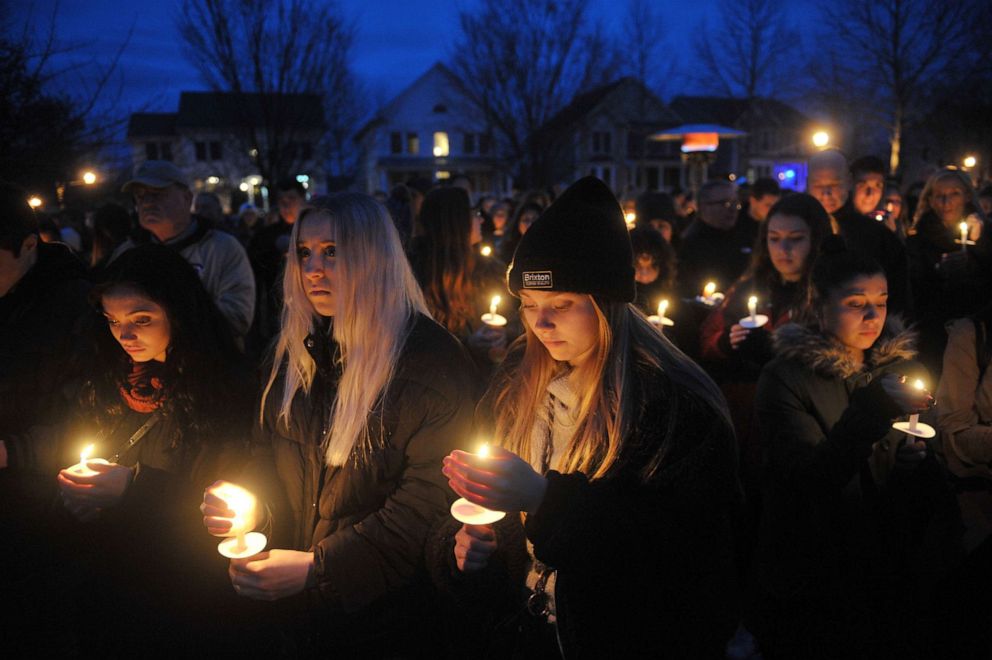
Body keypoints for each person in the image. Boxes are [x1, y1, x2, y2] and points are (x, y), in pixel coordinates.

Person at [434, 176, 740, 657]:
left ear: (608, 305)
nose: (541, 323)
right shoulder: (517, 379)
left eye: (562, 305)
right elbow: (480, 524)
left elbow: (677, 558)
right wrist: (469, 551)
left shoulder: (674, 406)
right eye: (529, 305)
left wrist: (542, 498)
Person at [200, 193, 478, 656]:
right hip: (299, 619)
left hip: (389, 621)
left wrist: (321, 569)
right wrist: (247, 509)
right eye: (304, 253)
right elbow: (265, 455)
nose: (313, 269)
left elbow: (427, 504)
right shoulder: (292, 354)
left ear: (374, 256)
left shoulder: (430, 364)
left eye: (333, 252)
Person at [747, 248, 961, 659]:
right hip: (814, 574)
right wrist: (872, 411)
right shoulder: (786, 377)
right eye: (855, 304)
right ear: (819, 306)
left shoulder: (894, 371)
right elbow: (807, 483)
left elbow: (907, 472)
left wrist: (909, 464)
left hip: (886, 570)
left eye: (880, 303)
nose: (872, 317)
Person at [54, 244, 255, 655]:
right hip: (113, 587)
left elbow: (231, 504)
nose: (124, 335)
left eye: (141, 319)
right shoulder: (106, 381)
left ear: (178, 311)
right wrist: (80, 499)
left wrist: (133, 489)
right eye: (113, 320)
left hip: (187, 597)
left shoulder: (224, 390)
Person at [0, 182, 94, 654]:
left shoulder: (75, 304)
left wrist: (14, 450)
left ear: (28, 246)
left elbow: (89, 418)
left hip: (44, 507)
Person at [699, 194, 832, 486]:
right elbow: (708, 336)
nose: (783, 249)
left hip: (797, 423)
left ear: (816, 240)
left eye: (795, 239)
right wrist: (726, 342)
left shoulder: (829, 293)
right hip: (742, 413)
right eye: (774, 238)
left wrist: (774, 349)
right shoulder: (751, 284)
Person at [113, 161, 255, 342]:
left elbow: (237, 318)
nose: (147, 203)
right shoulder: (128, 253)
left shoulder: (222, 247)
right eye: (140, 197)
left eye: (157, 194)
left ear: (187, 198)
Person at [410, 186, 515, 375]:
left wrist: (504, 335)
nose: (482, 219)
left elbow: (517, 320)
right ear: (455, 222)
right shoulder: (413, 278)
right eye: (475, 213)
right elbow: (416, 346)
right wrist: (466, 345)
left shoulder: (489, 272)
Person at [906, 168, 992, 377]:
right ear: (931, 200)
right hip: (933, 337)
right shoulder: (918, 240)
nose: (946, 201)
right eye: (939, 195)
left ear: (967, 196)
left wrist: (977, 253)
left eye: (954, 193)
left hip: (978, 337)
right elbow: (912, 289)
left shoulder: (986, 237)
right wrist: (938, 272)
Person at [807, 149, 910, 315]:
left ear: (848, 182)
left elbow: (898, 300)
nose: (826, 193)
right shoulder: (797, 231)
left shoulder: (877, 236)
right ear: (807, 184)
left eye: (834, 184)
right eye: (818, 185)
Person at [248, 178, 308, 354]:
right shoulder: (266, 236)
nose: (286, 203)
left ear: (302, 199)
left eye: (291, 198)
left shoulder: (315, 231)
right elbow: (257, 267)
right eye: (282, 200)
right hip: (277, 306)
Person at [676, 179, 753, 299]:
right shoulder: (689, 244)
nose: (733, 209)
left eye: (735, 203)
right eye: (725, 203)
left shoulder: (745, 235)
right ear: (704, 206)